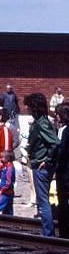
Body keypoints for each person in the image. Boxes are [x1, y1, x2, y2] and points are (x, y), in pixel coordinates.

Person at [24, 92, 58, 236]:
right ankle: (47, 232)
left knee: (43, 201)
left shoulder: (42, 124)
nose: (27, 110)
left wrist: (47, 159)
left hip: (41, 165)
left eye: (29, 107)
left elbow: (55, 143)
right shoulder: (39, 122)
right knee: (42, 201)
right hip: (38, 163)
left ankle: (48, 234)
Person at [53, 102, 69, 239]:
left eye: (57, 114)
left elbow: (61, 151)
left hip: (64, 172)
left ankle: (64, 233)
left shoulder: (64, 130)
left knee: (63, 202)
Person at [0, 149, 16, 215]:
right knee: (7, 212)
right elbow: (0, 175)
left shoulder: (9, 169)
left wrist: (0, 191)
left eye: (3, 157)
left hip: (6, 193)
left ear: (7, 158)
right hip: (6, 192)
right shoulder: (5, 167)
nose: (1, 159)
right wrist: (0, 166)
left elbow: (8, 183)